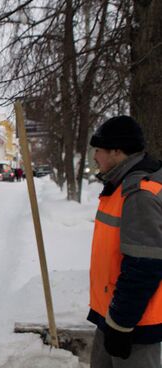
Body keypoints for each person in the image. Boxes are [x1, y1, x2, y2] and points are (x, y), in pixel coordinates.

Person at [87, 115, 162, 367]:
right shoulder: (119, 186)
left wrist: (120, 324)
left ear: (117, 151)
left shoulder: (139, 193)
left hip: (133, 325)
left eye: (99, 150)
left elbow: (144, 266)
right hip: (112, 314)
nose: (95, 156)